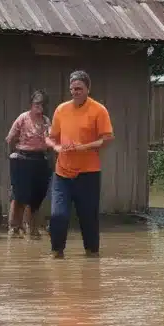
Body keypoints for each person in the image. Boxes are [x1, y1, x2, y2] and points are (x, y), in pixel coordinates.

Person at [47, 71, 114, 258]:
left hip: (88, 174)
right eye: (72, 89)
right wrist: (57, 148)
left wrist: (82, 147)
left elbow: (107, 139)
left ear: (87, 89)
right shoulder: (61, 110)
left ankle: (92, 257)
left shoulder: (99, 110)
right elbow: (51, 138)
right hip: (62, 173)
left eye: (79, 89)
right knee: (58, 216)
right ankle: (56, 254)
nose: (75, 92)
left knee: (88, 219)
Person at [5, 90, 53, 238]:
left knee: (37, 194)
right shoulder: (23, 118)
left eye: (42, 104)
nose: (40, 107)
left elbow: (51, 140)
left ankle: (32, 227)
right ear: (31, 104)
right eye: (37, 104)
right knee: (20, 194)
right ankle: (15, 227)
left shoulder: (46, 121)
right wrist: (15, 153)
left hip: (40, 159)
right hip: (22, 158)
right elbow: (10, 138)